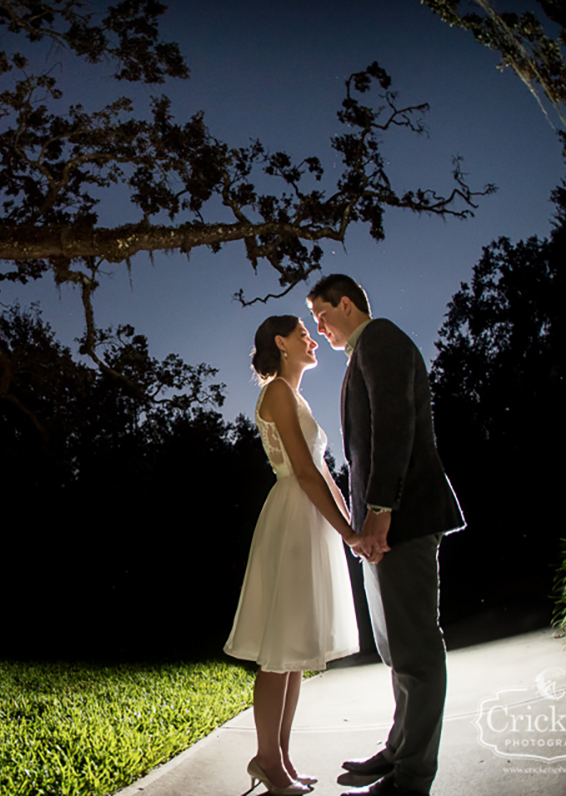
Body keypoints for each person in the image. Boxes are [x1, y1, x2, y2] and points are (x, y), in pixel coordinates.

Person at [306, 274, 465, 796]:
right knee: (395, 648)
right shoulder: (362, 354)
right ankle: (399, 749)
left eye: (321, 314)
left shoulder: (382, 339)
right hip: (381, 527)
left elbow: (395, 425)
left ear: (346, 304)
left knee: (416, 652)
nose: (317, 326)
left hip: (404, 519)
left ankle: (413, 777)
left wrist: (379, 509)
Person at [224, 314, 362, 796]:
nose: (313, 340)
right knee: (278, 651)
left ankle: (279, 758)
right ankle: (266, 758)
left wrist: (350, 523)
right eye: (305, 334)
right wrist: (346, 531)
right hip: (292, 518)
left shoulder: (296, 395)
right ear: (281, 343)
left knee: (296, 649)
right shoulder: (278, 391)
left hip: (312, 518)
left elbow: (323, 472)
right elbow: (302, 471)